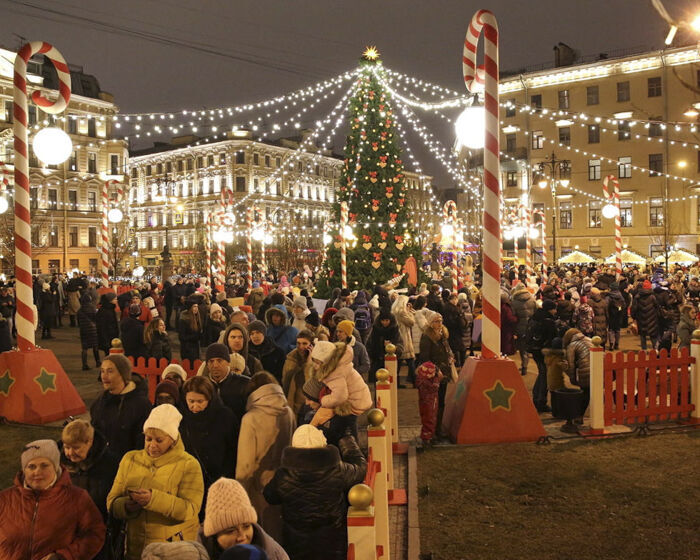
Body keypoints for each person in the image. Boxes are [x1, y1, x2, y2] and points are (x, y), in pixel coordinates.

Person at [107, 404, 204, 559]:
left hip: (172, 550)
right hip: (136, 549)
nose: (152, 445)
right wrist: (126, 506)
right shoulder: (130, 459)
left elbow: (190, 509)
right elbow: (112, 502)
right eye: (148, 439)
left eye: (159, 440)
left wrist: (153, 499)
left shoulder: (189, 464)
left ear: (172, 440)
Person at [263, 425, 367, 560]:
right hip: (332, 538)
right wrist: (347, 440)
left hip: (295, 541)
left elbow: (269, 496)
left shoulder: (283, 475)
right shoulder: (337, 469)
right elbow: (360, 468)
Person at [0, 439, 105, 560]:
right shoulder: (4, 499)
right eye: (31, 466)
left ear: (55, 467)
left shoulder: (78, 498)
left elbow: (95, 534)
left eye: (44, 465)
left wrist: (65, 556)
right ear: (24, 470)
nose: (37, 472)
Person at [237, 372, 295, 540]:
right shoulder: (288, 412)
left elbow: (244, 465)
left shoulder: (250, 418)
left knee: (263, 536)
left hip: (258, 486)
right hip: (283, 481)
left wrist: (241, 493)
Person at [61, 419, 121, 560]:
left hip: (100, 534)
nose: (69, 453)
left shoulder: (112, 464)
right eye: (66, 447)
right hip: (69, 533)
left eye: (76, 448)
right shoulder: (59, 464)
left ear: (90, 442)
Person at [181, 376, 239, 506]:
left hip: (219, 482)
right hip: (190, 483)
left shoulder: (225, 417)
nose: (195, 406)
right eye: (191, 401)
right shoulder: (182, 418)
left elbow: (233, 451)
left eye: (200, 401)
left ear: (210, 399)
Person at [199, 477, 288, 560]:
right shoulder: (196, 555)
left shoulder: (275, 555)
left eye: (246, 526)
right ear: (214, 535)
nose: (242, 537)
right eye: (231, 531)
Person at [308, 340, 372, 445]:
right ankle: (354, 445)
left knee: (348, 424)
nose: (315, 365)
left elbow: (340, 397)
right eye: (313, 361)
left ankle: (354, 448)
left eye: (318, 362)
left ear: (326, 361)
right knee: (349, 424)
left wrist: (324, 400)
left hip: (354, 401)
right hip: (358, 396)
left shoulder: (335, 373)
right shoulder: (337, 365)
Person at [90, 354, 152, 458]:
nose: (104, 376)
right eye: (102, 371)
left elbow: (142, 442)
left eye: (110, 371)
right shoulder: (99, 402)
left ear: (123, 375)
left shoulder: (141, 405)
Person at [419, 311, 455, 437]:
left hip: (444, 373)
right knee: (432, 403)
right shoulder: (426, 337)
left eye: (440, 321)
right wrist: (435, 369)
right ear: (430, 323)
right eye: (436, 321)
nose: (439, 323)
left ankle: (438, 428)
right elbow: (424, 357)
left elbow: (447, 349)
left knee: (441, 401)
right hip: (432, 375)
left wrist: (450, 357)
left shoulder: (443, 334)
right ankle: (431, 430)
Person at [199, 342, 251, 421]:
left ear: (228, 362)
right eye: (211, 361)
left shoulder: (245, 384)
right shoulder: (201, 385)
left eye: (219, 361)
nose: (215, 365)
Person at [527, 299, 558, 413]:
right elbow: (553, 337)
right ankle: (540, 401)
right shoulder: (548, 321)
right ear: (550, 309)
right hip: (543, 351)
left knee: (542, 373)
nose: (555, 311)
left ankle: (537, 398)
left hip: (534, 349)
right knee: (544, 375)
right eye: (554, 308)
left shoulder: (535, 317)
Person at [366, 308, 403, 383]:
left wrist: (393, 348)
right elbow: (369, 344)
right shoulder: (375, 330)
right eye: (383, 320)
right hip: (377, 360)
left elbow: (400, 346)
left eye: (387, 320)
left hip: (391, 362)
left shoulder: (395, 330)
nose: (384, 323)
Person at [562, 328, 593, 416]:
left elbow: (571, 366)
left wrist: (573, 380)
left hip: (586, 371)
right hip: (600, 369)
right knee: (594, 393)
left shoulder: (572, 345)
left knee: (585, 394)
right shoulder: (589, 339)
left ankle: (578, 416)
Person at [510, 283, 536, 375]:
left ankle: (524, 364)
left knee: (522, 347)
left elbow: (513, 315)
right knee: (529, 345)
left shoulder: (514, 301)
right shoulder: (532, 299)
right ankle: (526, 363)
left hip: (520, 327)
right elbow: (536, 312)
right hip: (531, 327)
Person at [391, 295, 417, 386]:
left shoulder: (394, 311)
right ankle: (414, 381)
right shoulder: (402, 312)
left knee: (398, 362)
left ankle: (396, 382)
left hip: (397, 337)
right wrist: (409, 312)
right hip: (404, 338)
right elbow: (411, 322)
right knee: (410, 360)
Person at [415, 361, 442, 446]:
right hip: (431, 402)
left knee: (425, 418)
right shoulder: (433, 384)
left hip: (423, 402)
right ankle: (428, 437)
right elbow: (438, 382)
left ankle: (425, 435)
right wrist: (438, 374)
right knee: (430, 419)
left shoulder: (420, 380)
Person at [631, 279, 661, 350]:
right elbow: (657, 307)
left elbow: (634, 309)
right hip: (652, 319)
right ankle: (655, 350)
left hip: (641, 319)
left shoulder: (637, 297)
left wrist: (634, 317)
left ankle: (644, 351)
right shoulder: (653, 297)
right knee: (653, 336)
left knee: (643, 336)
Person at [77, 292, 101, 370]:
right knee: (95, 346)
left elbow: (78, 322)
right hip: (93, 330)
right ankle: (97, 361)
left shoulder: (80, 310)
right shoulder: (93, 308)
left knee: (84, 348)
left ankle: (84, 364)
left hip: (84, 330)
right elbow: (96, 318)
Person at [179, 297, 204, 363]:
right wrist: (195, 337)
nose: (196, 308)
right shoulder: (184, 320)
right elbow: (182, 337)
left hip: (196, 347)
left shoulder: (196, 317)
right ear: (190, 308)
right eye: (194, 307)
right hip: (188, 349)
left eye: (197, 306)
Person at [96, 291, 120, 356]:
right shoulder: (105, 310)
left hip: (111, 336)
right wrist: (105, 340)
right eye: (115, 299)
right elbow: (102, 327)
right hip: (107, 337)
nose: (116, 300)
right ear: (110, 300)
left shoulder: (110, 308)